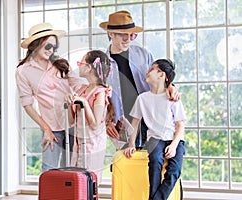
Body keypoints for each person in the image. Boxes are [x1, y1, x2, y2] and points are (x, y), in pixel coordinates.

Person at [99, 10, 180, 148]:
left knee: (154, 163)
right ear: (110, 33)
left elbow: (160, 76)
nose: (128, 39)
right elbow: (100, 97)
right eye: (123, 35)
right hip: (122, 123)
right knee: (128, 163)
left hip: (150, 117)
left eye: (132, 35)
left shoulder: (143, 55)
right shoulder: (100, 64)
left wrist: (171, 86)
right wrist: (107, 122)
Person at [16, 23, 84, 172]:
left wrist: (80, 93)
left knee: (71, 170)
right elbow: (27, 105)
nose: (51, 50)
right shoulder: (23, 71)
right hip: (51, 128)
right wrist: (46, 129)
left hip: (73, 123)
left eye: (54, 47)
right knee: (49, 170)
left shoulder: (61, 65)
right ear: (36, 45)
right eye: (48, 46)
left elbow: (79, 86)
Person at [123, 59, 186, 200]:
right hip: (155, 139)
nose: (147, 71)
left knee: (174, 171)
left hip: (174, 139)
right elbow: (135, 123)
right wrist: (131, 144)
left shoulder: (172, 98)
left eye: (151, 69)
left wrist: (174, 145)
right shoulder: (142, 99)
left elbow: (180, 125)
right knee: (155, 161)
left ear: (161, 74)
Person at [65, 50, 115, 182]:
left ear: (89, 68)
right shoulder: (81, 89)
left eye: (80, 63)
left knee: (88, 181)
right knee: (77, 181)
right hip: (78, 144)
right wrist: (71, 102)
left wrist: (84, 103)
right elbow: (71, 121)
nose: (78, 66)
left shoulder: (100, 93)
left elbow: (95, 123)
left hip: (92, 145)